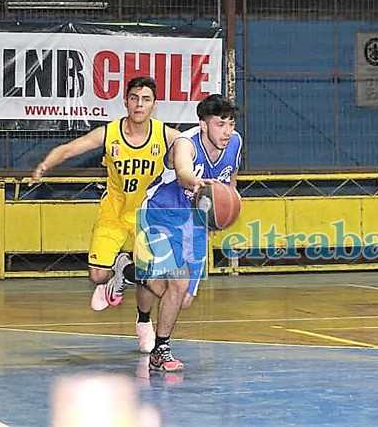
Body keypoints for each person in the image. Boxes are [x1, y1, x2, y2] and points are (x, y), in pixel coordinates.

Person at [30, 76, 179, 351]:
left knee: (153, 281)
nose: (139, 104)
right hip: (114, 213)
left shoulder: (166, 135)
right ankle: (118, 272)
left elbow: (193, 149)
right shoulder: (110, 133)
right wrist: (44, 165)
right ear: (126, 101)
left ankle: (143, 320)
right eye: (134, 98)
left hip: (148, 217)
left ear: (154, 105)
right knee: (98, 276)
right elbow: (70, 149)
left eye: (146, 99)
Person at [127, 94, 242, 372]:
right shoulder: (185, 144)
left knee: (184, 299)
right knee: (177, 285)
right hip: (162, 214)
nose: (226, 131)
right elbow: (182, 173)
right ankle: (161, 350)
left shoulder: (235, 142)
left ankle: (130, 272)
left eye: (230, 124)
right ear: (203, 125)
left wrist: (221, 213)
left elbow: (232, 180)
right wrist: (199, 184)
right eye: (219, 124)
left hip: (194, 221)